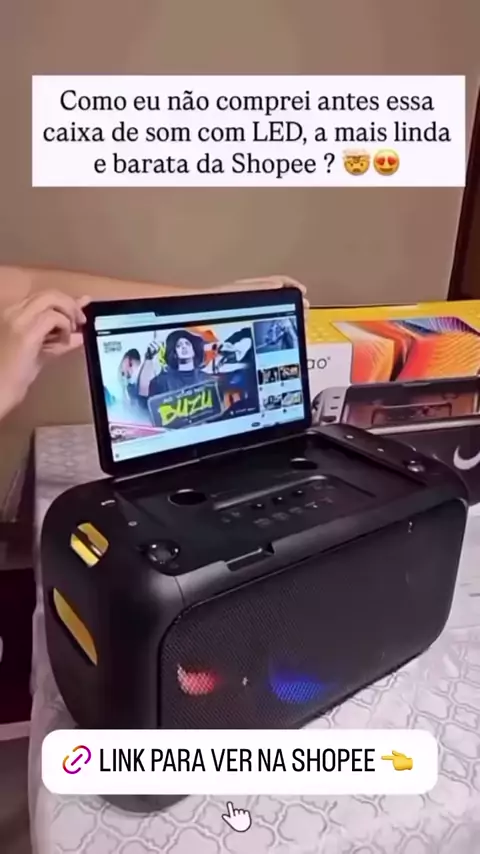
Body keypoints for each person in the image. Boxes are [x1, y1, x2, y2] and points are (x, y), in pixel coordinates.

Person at [0, 265, 308, 422]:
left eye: (187, 344)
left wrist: (207, 301)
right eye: (178, 346)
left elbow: (26, 286)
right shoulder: (160, 381)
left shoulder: (211, 375)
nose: (183, 348)